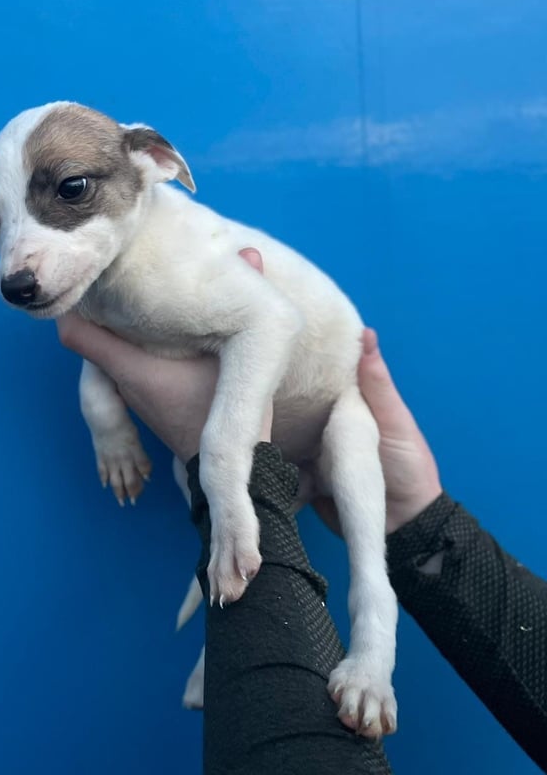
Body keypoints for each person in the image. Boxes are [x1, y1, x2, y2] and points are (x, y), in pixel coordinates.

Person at [56, 249, 547, 774]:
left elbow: (259, 321)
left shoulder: (175, 257)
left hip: (328, 411)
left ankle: (374, 656)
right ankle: (220, 651)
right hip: (270, 444)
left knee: (357, 557)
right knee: (221, 527)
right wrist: (419, 514)